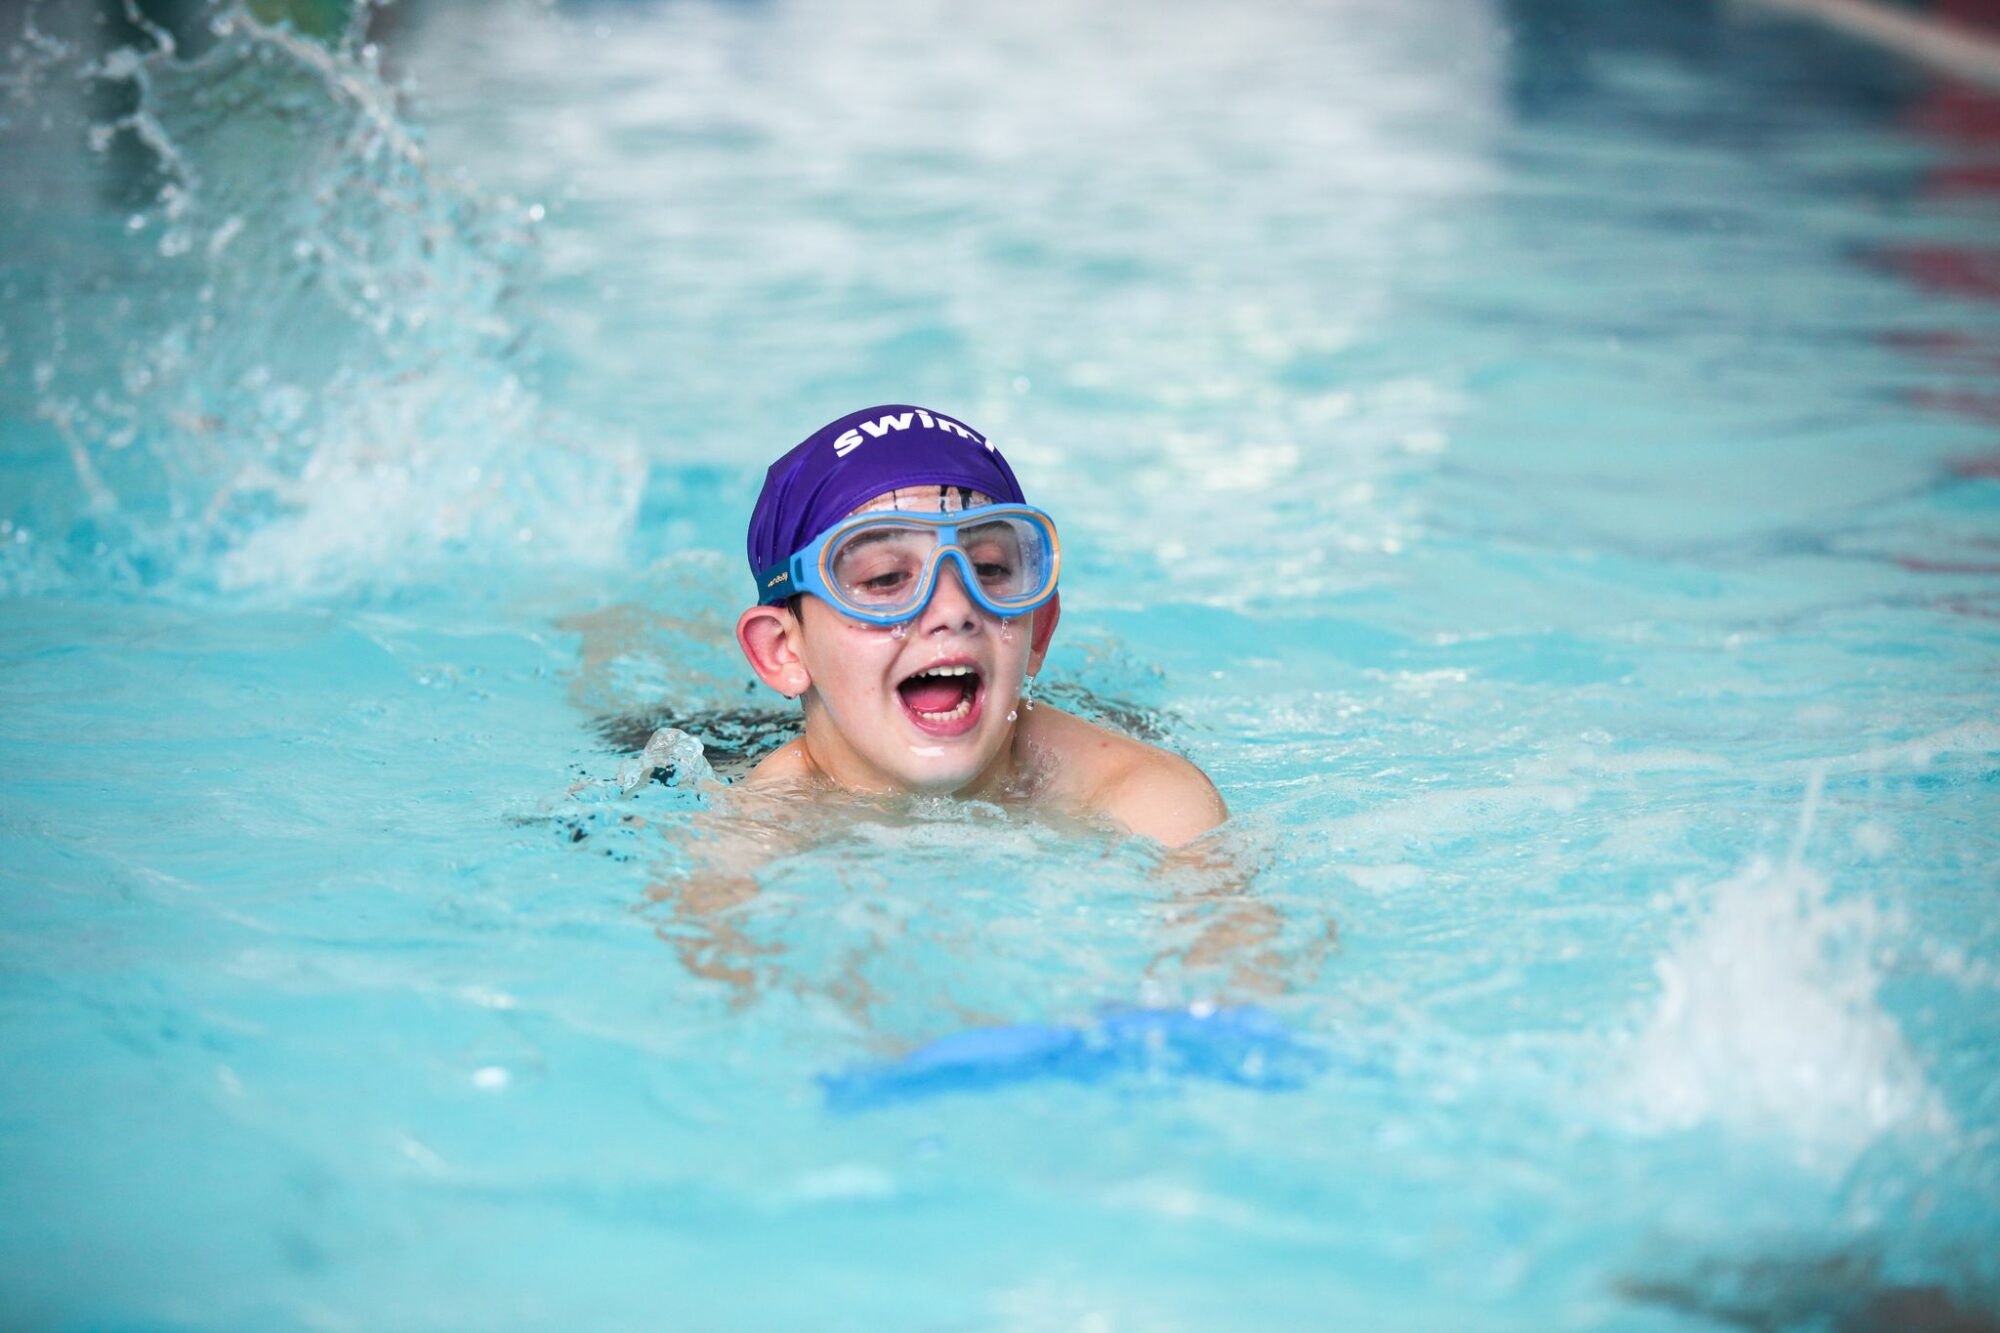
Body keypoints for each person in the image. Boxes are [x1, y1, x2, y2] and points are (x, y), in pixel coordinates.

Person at [732, 404, 1227, 848]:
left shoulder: (1152, 801)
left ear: (1040, 631)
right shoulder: (751, 836)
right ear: (783, 651)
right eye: (885, 577)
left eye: (988, 568)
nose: (953, 609)